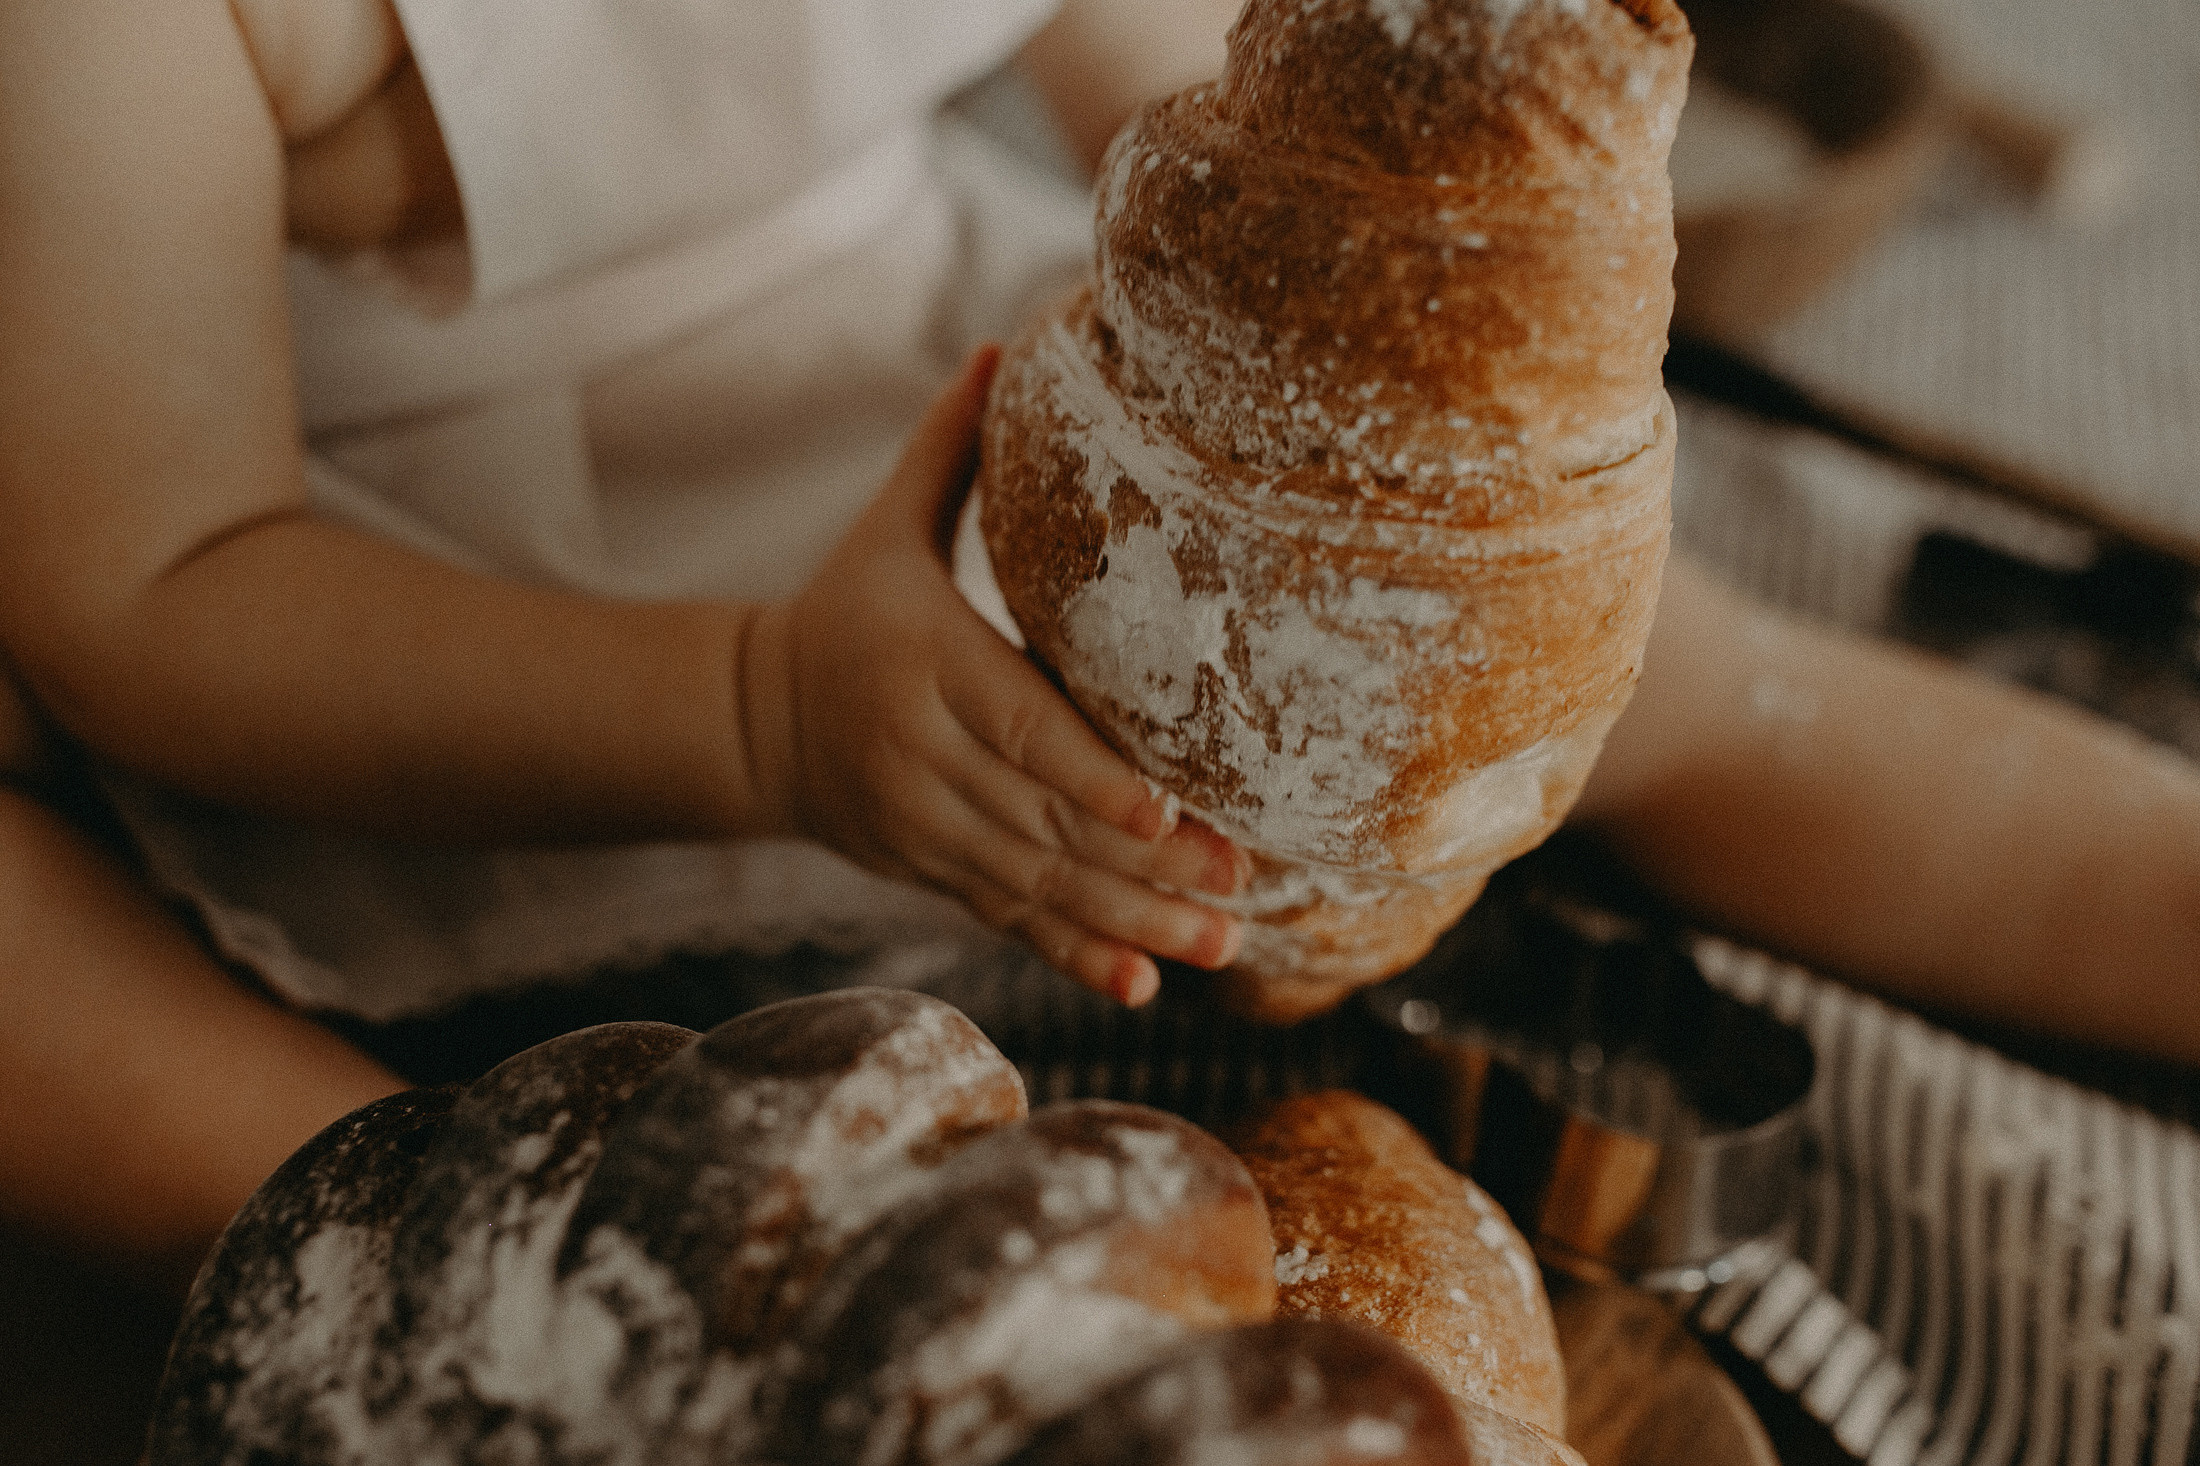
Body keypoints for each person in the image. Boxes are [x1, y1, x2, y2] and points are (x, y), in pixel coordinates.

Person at [1, 0, 2194, 1299]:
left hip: (941, 374)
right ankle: (518, 1258)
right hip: (392, 598)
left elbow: (1187, 97)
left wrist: (1332, 317)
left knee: (1685, 676)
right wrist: (755, 713)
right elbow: (157, 584)